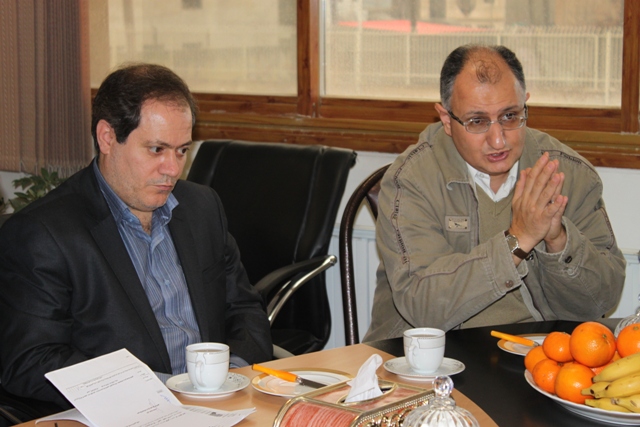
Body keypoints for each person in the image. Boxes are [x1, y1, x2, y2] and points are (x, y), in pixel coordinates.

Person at [0, 63, 272, 410]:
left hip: (220, 406)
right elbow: (30, 360)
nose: (173, 169)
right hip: (124, 413)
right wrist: (153, 392)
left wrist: (230, 375)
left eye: (182, 150)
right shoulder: (44, 234)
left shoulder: (202, 207)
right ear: (107, 137)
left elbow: (244, 307)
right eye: (157, 149)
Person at [364, 44, 626, 341]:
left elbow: (600, 301)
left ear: (525, 106)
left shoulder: (567, 174)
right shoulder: (411, 180)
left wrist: (560, 242)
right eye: (477, 121)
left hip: (538, 351)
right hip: (432, 356)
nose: (498, 140)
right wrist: (518, 240)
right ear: (446, 120)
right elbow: (423, 307)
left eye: (510, 116)